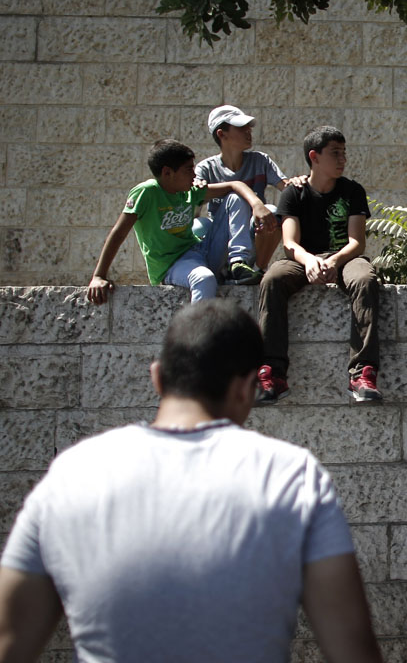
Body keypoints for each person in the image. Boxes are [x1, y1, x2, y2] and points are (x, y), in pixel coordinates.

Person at [0, 299, 382, 662]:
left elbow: (9, 639)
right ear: (246, 387)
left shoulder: (74, 473)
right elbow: (352, 647)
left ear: (157, 377)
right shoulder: (293, 477)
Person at [256, 126, 382, 404]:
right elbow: (289, 243)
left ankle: (363, 373)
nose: (343, 159)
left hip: (345, 258)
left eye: (344, 153)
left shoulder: (352, 191)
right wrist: (310, 260)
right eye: (335, 153)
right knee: (273, 278)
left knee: (365, 279)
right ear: (314, 157)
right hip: (303, 259)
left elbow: (357, 242)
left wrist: (334, 260)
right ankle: (272, 373)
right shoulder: (293, 193)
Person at [86, 138, 276, 305]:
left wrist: (257, 205)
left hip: (200, 251)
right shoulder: (146, 192)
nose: (194, 175)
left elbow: (236, 184)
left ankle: (237, 263)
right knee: (204, 278)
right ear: (167, 173)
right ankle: (198, 335)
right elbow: (118, 233)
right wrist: (99, 275)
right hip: (173, 265)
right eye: (188, 169)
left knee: (234, 198)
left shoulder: (189, 191)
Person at [196, 104, 302, 273]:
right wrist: (255, 203)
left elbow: (287, 188)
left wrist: (299, 182)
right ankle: (236, 262)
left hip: (252, 238)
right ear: (222, 134)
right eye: (241, 128)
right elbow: (193, 199)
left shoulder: (260, 161)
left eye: (248, 128)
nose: (248, 132)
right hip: (219, 246)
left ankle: (257, 269)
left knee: (272, 212)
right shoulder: (206, 168)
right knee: (232, 199)